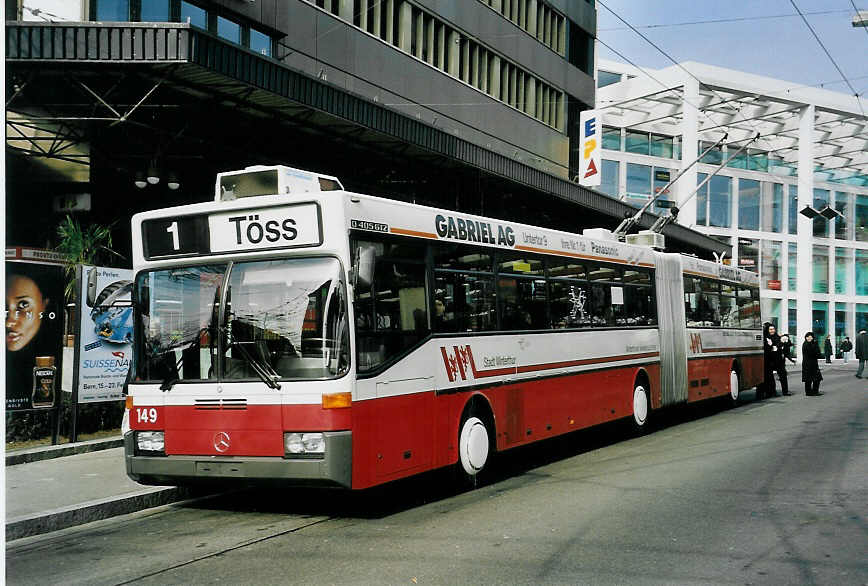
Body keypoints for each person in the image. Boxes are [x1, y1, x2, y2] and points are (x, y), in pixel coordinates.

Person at [762, 323, 789, 398]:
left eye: (773, 329)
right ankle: (772, 392)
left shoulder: (778, 337)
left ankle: (785, 391)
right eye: (770, 329)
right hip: (769, 360)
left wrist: (782, 343)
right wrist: (775, 346)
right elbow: (769, 348)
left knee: (783, 375)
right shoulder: (766, 338)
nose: (772, 331)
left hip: (779, 360)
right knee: (769, 377)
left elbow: (781, 347)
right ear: (767, 330)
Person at [802, 332, 823, 396]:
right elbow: (813, 353)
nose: (809, 338)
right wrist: (815, 346)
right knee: (808, 379)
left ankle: (815, 391)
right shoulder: (806, 344)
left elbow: (818, 354)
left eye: (810, 337)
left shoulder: (814, 344)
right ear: (805, 338)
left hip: (814, 364)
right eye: (807, 337)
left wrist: (815, 345)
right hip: (807, 364)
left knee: (817, 378)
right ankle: (808, 392)